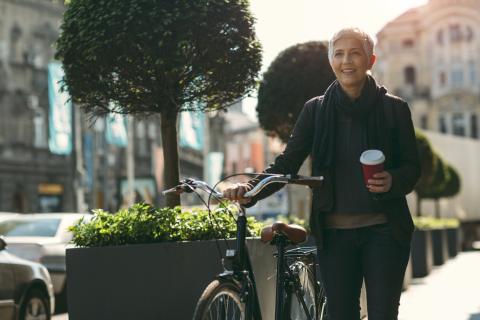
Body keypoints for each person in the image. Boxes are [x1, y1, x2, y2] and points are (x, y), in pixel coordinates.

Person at [223, 27, 421, 320]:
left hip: (385, 232)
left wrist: (394, 180)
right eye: (339, 54)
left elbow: (412, 167)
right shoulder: (315, 111)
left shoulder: (394, 109)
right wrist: (250, 191)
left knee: (383, 314)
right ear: (331, 61)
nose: (347, 61)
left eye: (355, 53)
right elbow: (286, 164)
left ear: (371, 60)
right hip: (334, 236)